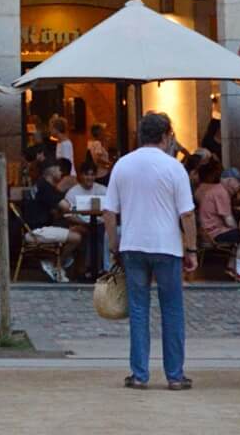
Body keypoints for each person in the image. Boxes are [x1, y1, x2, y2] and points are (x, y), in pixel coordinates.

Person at [102, 111, 195, 391]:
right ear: (166, 136)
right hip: (167, 246)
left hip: (133, 244)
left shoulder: (122, 165)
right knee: (172, 309)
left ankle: (140, 373)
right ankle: (175, 374)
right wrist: (191, 248)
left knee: (139, 309)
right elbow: (187, 214)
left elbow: (109, 211)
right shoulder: (173, 167)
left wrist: (113, 244)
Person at [20, 159, 83, 281]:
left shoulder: (40, 184)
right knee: (77, 237)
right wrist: (64, 186)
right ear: (52, 170)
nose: (62, 173)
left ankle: (62, 263)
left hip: (35, 227)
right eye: (59, 169)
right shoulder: (46, 187)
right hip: (37, 231)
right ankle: (55, 264)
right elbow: (66, 206)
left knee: (81, 230)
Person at [195, 160, 240, 283]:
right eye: (238, 181)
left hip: (209, 230)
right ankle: (239, 270)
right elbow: (229, 219)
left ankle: (232, 266)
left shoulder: (217, 190)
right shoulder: (221, 192)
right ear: (229, 180)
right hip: (215, 233)